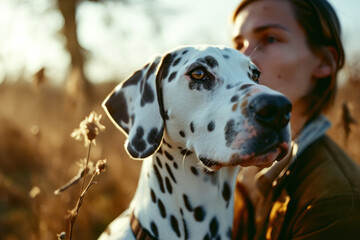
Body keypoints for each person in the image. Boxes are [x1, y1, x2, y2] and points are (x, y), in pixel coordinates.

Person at [231, 0, 360, 239]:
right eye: (239, 44)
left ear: (323, 63)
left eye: (270, 39)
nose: (243, 58)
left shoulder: (335, 202)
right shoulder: (227, 166)